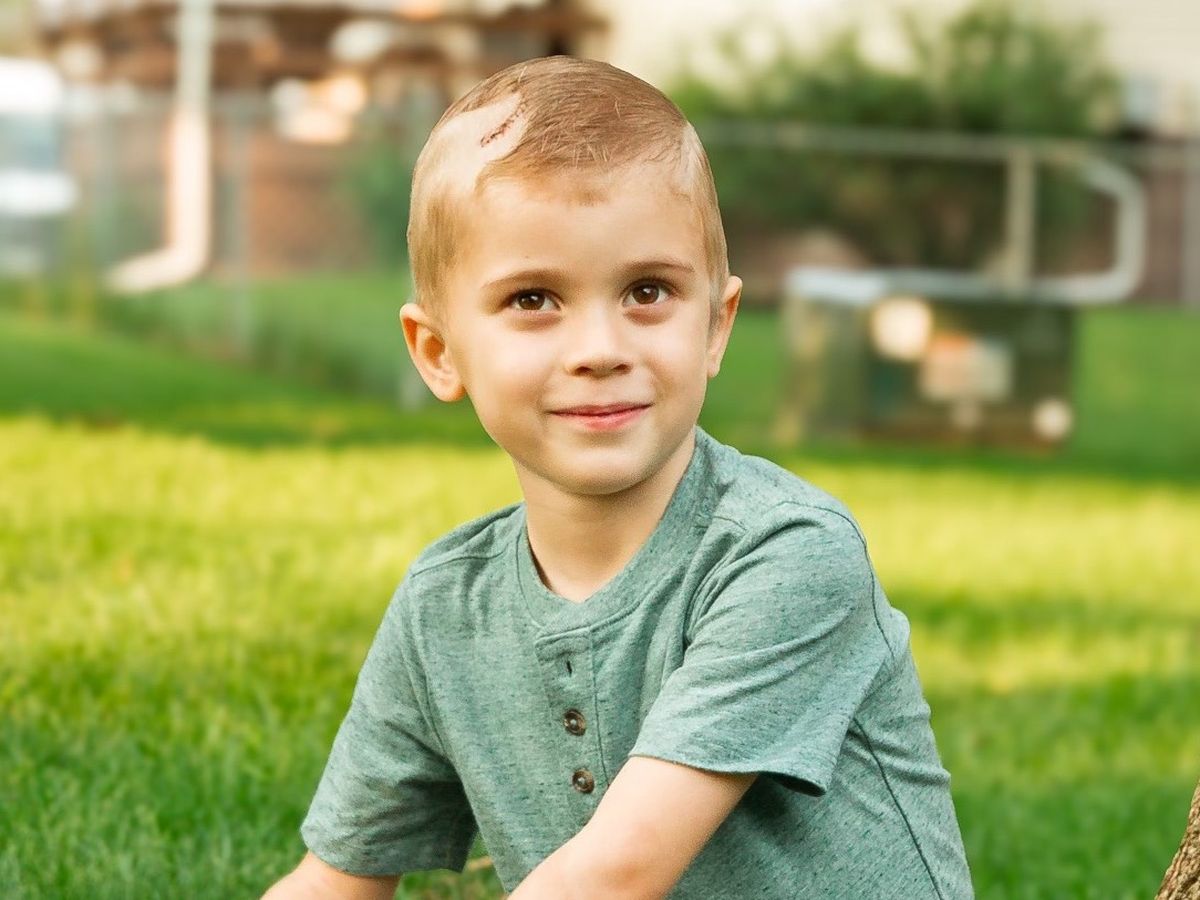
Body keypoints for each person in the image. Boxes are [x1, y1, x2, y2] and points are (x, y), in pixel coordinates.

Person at [262, 55, 973, 900]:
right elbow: (332, 883)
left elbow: (616, 876)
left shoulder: (788, 554)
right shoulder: (445, 608)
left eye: (647, 291)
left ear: (715, 325)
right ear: (439, 352)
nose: (600, 350)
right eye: (533, 299)